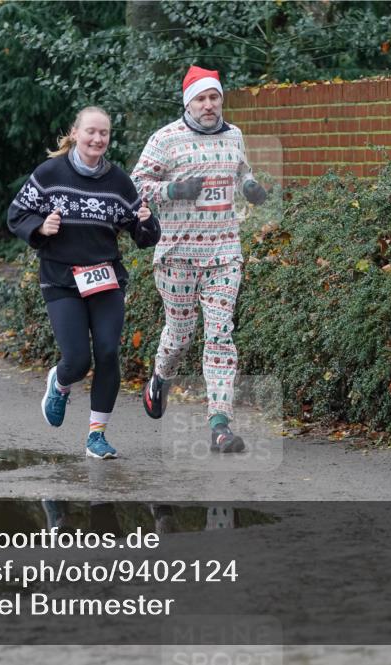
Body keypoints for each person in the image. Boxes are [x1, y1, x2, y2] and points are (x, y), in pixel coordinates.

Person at [8, 107, 160, 460]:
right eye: (91, 131)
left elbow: (142, 234)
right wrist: (41, 227)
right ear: (75, 133)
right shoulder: (50, 173)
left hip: (105, 278)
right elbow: (16, 214)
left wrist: (147, 222)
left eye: (104, 133)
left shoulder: (118, 181)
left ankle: (97, 435)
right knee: (77, 360)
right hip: (61, 279)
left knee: (107, 352)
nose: (97, 139)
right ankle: (60, 384)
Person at [132, 65, 268, 453]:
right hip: (178, 254)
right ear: (188, 102)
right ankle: (160, 378)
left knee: (220, 334)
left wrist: (250, 187)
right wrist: (174, 188)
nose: (209, 105)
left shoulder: (234, 136)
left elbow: (241, 170)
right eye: (201, 99)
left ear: (221, 100)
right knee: (180, 334)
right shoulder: (165, 139)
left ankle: (220, 425)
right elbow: (136, 186)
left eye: (214, 97)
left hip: (224, 251)